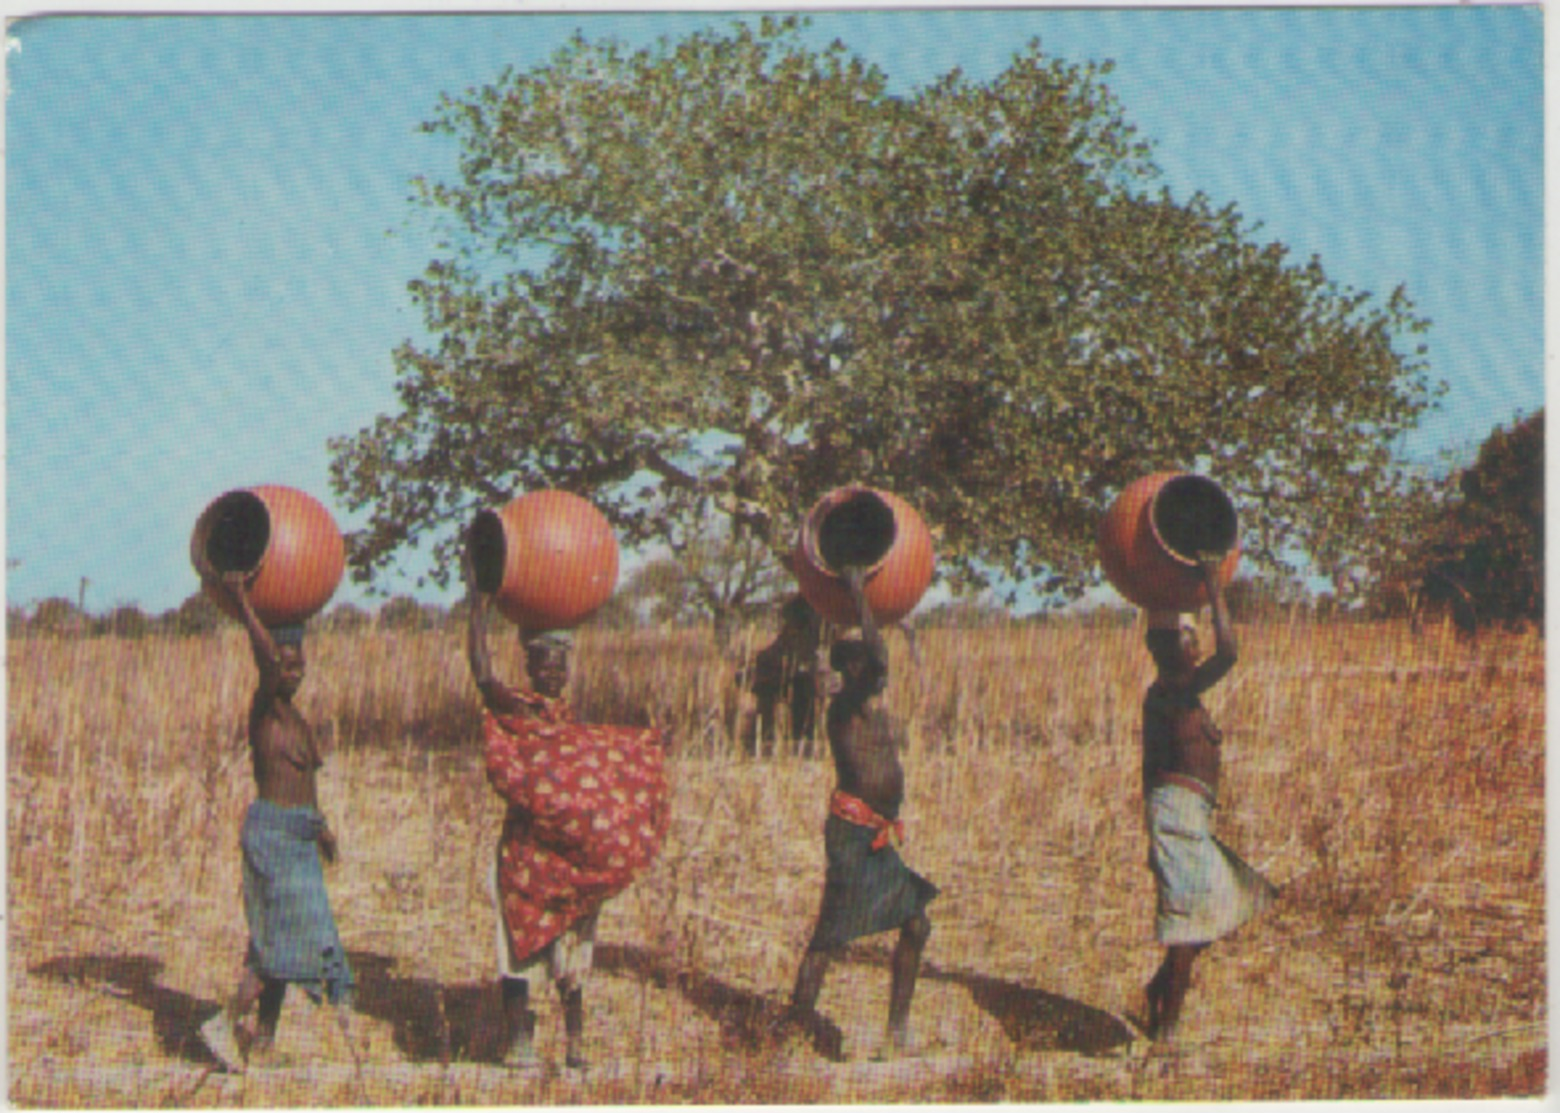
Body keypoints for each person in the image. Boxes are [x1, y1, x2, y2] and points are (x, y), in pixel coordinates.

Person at [464, 553, 670, 1072]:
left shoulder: (570, 723)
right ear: (530, 667)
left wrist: (644, 753)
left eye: (561, 663)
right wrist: (478, 604)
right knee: (517, 949)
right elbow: (482, 673)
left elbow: (595, 766)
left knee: (574, 950)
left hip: (572, 861)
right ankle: (519, 1044)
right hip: (529, 856)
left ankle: (576, 1044)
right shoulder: (520, 712)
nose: (554, 671)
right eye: (544, 663)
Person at [199, 572, 354, 1073]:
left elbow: (307, 782)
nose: (292, 670)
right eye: (284, 663)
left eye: (299, 662)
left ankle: (263, 1041)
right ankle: (224, 1023)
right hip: (271, 836)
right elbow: (266, 661)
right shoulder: (264, 709)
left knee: (277, 941)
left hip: (298, 835)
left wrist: (323, 829)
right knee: (280, 943)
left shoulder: (296, 719)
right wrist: (245, 602)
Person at [788, 567, 938, 1058]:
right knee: (831, 936)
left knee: (916, 925)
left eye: (867, 665)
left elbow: (881, 662)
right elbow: (876, 656)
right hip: (852, 834)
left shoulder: (873, 705)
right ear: (844, 668)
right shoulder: (843, 705)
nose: (868, 671)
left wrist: (867, 609)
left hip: (876, 836)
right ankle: (795, 1025)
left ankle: (896, 1031)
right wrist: (860, 597)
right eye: (854, 664)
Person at [1140, 558, 1277, 1042]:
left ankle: (1157, 990)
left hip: (1185, 817)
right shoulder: (1175, 688)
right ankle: (1166, 1036)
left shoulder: (1176, 694)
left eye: (1194, 637)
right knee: (1189, 926)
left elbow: (1147, 767)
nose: (1195, 645)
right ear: (1164, 647)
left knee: (1221, 908)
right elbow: (1231, 652)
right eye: (1186, 638)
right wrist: (1213, 582)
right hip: (1177, 816)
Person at [740, 594, 823, 754]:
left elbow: (816, 662)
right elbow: (773, 653)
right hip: (788, 679)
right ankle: (765, 740)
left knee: (803, 687)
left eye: (791, 620)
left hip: (807, 683)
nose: (789, 624)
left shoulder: (818, 635)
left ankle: (803, 743)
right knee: (764, 687)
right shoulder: (789, 635)